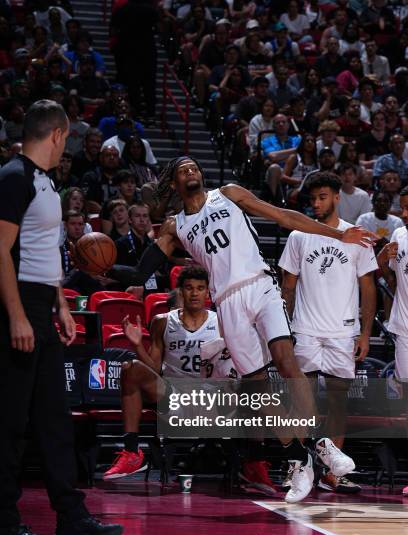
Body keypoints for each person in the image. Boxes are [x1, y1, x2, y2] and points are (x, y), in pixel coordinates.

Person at [108, 155, 376, 504]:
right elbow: (137, 272)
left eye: (195, 167)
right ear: (174, 183)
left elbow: (283, 217)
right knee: (256, 386)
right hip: (227, 303)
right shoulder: (174, 227)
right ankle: (300, 456)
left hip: (261, 286)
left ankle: (319, 446)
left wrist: (340, 234)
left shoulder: (229, 193)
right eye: (183, 170)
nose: (192, 171)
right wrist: (104, 266)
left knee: (286, 361)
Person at [0, 99, 122, 535]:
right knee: (12, 422)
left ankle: (71, 518)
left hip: (44, 306)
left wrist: (62, 306)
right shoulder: (14, 178)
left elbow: (43, 252)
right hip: (17, 305)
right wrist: (16, 315)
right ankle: (5, 523)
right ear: (56, 134)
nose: (65, 145)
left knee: (55, 418)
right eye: (66, 137)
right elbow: (1, 252)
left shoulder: (47, 183)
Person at [279, 171, 378, 494]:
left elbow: (368, 287)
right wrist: (285, 329)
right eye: (313, 198)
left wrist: (364, 334)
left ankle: (332, 474)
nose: (317, 203)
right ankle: (297, 467)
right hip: (305, 330)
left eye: (323, 197)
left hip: (342, 333)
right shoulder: (298, 235)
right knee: (300, 403)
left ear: (337, 197)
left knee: (338, 404)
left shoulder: (357, 236)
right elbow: (288, 287)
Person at [102, 267, 222, 480]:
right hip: (172, 395)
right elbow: (154, 368)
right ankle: (131, 452)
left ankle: (253, 462)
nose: (194, 293)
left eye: (200, 288)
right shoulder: (163, 321)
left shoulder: (220, 322)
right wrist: (138, 345)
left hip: (207, 397)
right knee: (130, 367)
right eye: (189, 288)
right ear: (180, 292)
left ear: (208, 293)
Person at [376, 188, 408, 497]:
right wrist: (384, 260)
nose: (406, 213)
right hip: (405, 329)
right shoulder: (399, 233)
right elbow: (388, 275)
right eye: (404, 208)